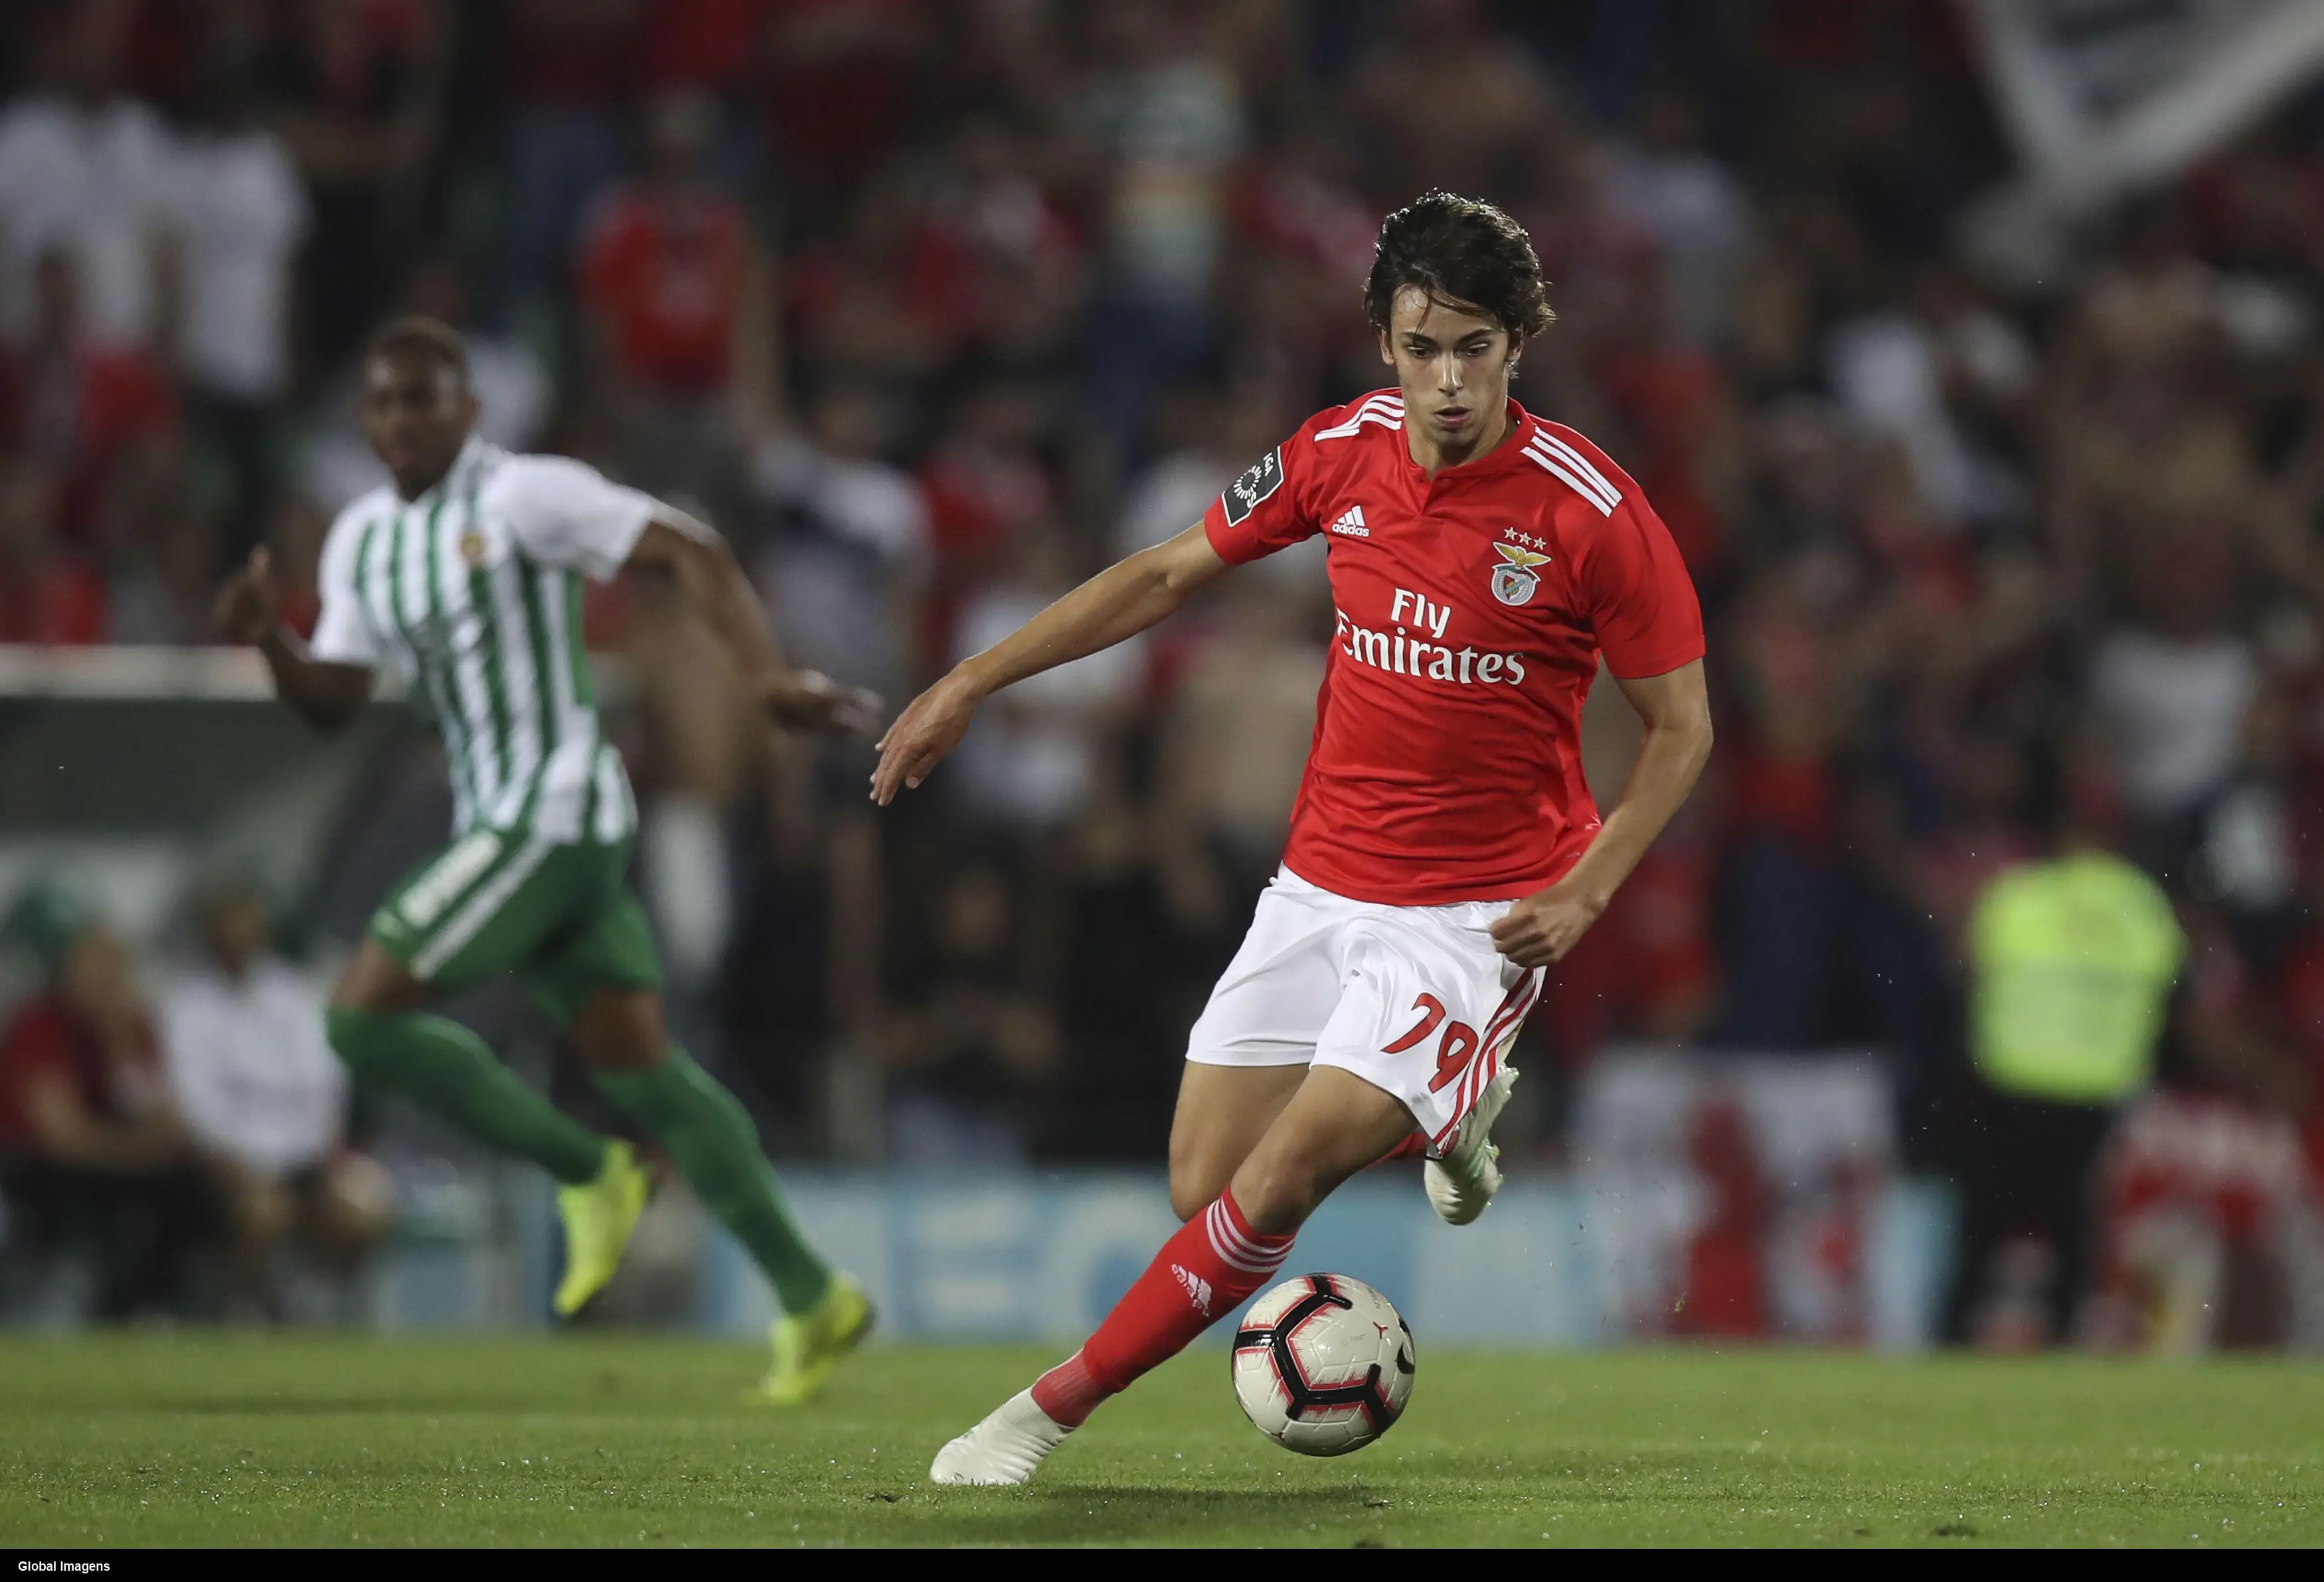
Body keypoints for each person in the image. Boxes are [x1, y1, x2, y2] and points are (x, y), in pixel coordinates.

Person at [874, 192, 1713, 1483]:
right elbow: (1162, 575)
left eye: (1475, 347)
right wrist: (972, 680)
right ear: (1383, 338)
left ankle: (1039, 1414)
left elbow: (1682, 730)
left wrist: (1589, 894)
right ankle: (1455, 1108)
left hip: (1473, 921)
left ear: (1516, 348)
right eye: (1423, 345)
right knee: (1198, 1182)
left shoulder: (1589, 512)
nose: (1447, 379)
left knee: (1273, 1182)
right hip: (1317, 887)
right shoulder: (1336, 452)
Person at [212, 315, 880, 1403]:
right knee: (649, 1074)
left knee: (358, 1017)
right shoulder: (361, 539)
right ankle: (815, 1294)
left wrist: (762, 679)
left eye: (423, 399)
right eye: (381, 401)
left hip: (553, 809)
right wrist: (269, 638)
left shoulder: (526, 495)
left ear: (468, 409)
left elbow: (686, 548)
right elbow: (336, 701)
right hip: (511, 820)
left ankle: (589, 1168)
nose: (399, 420)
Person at [158, 880, 392, 1318]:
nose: (237, 941)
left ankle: (333, 1308)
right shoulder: (188, 1006)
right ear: (209, 935)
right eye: (227, 930)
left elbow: (323, 1084)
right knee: (264, 1212)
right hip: (228, 1164)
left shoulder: (296, 996)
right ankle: (249, 1311)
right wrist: (236, 1160)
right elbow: (194, 1100)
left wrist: (315, 1153)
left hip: (305, 1158)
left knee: (367, 1207)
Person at [0, 887, 208, 1318]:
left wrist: (120, 1043)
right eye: (93, 961)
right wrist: (142, 1152)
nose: (107, 975)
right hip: (37, 1167)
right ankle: (57, 1301)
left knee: (187, 1190)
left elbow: (165, 1117)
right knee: (66, 1187)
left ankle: (154, 1305)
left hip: (112, 1161)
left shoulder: (132, 1027)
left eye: (115, 964)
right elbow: (62, 1137)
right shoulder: (40, 1024)